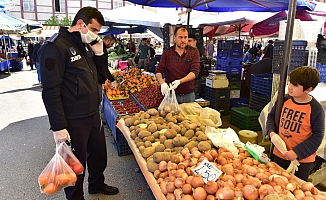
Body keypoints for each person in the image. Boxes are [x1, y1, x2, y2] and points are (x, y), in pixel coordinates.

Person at [39, 7, 119, 200]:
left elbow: (100, 76)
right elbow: (50, 90)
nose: (97, 35)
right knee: (75, 163)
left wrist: (100, 54)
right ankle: (75, 196)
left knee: (99, 155)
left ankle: (96, 184)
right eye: (95, 29)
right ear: (82, 24)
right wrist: (58, 127)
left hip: (92, 112)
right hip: (73, 118)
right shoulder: (56, 46)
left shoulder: (85, 44)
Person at [266, 66, 325, 181]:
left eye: (295, 85)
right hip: (279, 154)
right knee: (275, 184)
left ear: (308, 89)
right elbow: (271, 117)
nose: (290, 87)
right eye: (290, 83)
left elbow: (318, 136)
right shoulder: (284, 100)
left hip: (301, 161)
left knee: (295, 187)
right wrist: (271, 132)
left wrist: (297, 152)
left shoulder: (315, 109)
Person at [155, 26, 200, 104]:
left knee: (189, 116)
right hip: (171, 94)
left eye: (185, 37)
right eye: (180, 37)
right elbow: (159, 71)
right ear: (175, 38)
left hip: (188, 95)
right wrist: (162, 83)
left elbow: (195, 72)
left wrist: (180, 81)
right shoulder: (167, 53)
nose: (183, 40)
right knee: (171, 115)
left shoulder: (194, 52)